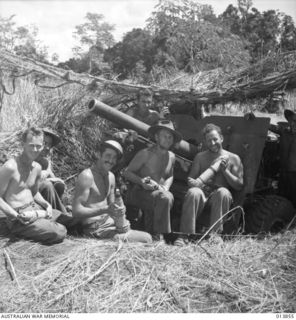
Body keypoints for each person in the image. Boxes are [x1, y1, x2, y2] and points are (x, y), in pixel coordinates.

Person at [175, 123, 244, 246]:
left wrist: (225, 171)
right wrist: (194, 183)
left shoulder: (234, 158)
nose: (212, 143)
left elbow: (239, 185)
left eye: (215, 139)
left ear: (221, 138)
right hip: (203, 193)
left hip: (218, 196)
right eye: (209, 141)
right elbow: (191, 178)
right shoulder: (200, 157)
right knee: (193, 192)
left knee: (223, 192)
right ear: (205, 142)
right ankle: (184, 235)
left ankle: (215, 236)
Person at [72, 140, 152, 243]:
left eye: (114, 158)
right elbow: (76, 211)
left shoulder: (111, 176)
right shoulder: (87, 176)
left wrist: (120, 212)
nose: (111, 160)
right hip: (95, 228)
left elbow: (112, 206)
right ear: (98, 154)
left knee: (144, 237)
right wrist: (104, 210)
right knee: (146, 239)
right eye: (108, 155)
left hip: (111, 224)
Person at [0, 127, 67, 244]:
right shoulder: (10, 167)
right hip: (19, 217)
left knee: (70, 220)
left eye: (38, 146)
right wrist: (15, 215)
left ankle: (48, 222)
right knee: (59, 231)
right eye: (31, 145)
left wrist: (47, 205)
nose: (35, 149)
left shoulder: (37, 167)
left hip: (35, 209)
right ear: (23, 144)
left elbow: (34, 192)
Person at [123, 120, 182, 242]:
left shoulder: (171, 156)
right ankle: (158, 236)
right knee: (165, 198)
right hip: (139, 193)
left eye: (170, 137)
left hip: (158, 194)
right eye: (164, 136)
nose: (168, 139)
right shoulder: (145, 154)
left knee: (166, 196)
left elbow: (170, 175)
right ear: (156, 137)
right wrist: (141, 182)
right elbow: (127, 172)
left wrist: (166, 187)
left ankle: (155, 234)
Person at [35, 128, 67, 213]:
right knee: (47, 185)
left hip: (43, 194)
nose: (47, 147)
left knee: (59, 185)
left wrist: (49, 173)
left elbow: (53, 178)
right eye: (44, 143)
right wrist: (49, 179)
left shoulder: (45, 161)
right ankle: (62, 216)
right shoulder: (29, 157)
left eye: (49, 144)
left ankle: (61, 213)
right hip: (30, 194)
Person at [269, 109, 296, 207]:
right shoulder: (284, 131)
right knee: (282, 194)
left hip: (294, 173)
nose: (294, 123)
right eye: (293, 120)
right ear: (289, 121)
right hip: (284, 171)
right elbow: (270, 126)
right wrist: (254, 118)